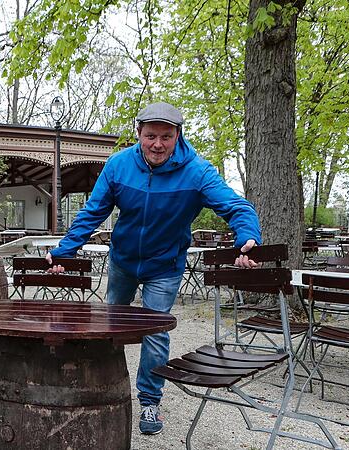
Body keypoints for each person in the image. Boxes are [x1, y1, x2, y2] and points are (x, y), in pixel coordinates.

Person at [45, 102, 262, 435]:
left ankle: (149, 400)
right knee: (111, 326)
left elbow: (237, 207)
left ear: (178, 136)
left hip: (165, 265)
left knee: (155, 333)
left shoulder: (198, 172)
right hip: (123, 261)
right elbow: (92, 213)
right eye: (150, 136)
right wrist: (64, 251)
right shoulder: (118, 166)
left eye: (166, 136)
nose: (157, 144)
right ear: (138, 134)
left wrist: (248, 236)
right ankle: (101, 386)